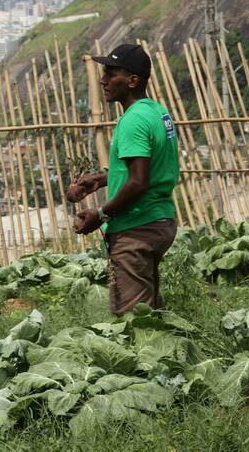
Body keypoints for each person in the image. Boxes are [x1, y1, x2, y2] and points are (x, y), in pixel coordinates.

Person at [66, 44, 180, 315]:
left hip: (136, 228)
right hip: (159, 221)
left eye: (111, 72)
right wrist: (102, 179)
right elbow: (149, 169)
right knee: (149, 312)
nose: (103, 79)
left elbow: (138, 182)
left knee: (132, 322)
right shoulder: (157, 112)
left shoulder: (131, 121)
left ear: (132, 80)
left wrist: (101, 215)